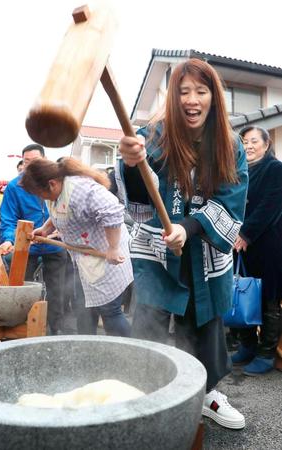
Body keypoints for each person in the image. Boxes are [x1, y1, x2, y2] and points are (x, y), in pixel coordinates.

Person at [118, 58, 248, 430]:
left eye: (201, 91)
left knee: (203, 322)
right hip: (157, 249)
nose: (192, 99)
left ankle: (207, 393)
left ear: (214, 98)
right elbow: (139, 197)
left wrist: (188, 228)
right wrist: (131, 163)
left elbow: (232, 199)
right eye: (184, 91)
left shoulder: (230, 142)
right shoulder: (153, 135)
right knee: (149, 320)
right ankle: (145, 393)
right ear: (173, 97)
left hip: (203, 250)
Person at [20, 157, 133, 337]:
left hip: (106, 256)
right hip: (84, 258)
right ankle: (87, 350)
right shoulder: (56, 191)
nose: (41, 198)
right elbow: (59, 210)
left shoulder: (80, 189)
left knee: (110, 311)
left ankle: (131, 354)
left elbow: (113, 211)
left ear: (52, 183)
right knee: (84, 308)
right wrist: (45, 229)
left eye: (40, 194)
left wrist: (112, 247)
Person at [0, 144, 67, 335]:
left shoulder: (56, 179)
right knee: (24, 289)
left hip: (55, 245)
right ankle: (23, 329)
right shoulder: (15, 186)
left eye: (35, 161)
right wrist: (9, 240)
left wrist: (60, 230)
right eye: (26, 162)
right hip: (26, 247)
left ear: (45, 160)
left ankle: (56, 329)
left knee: (57, 291)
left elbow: (64, 209)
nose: (30, 166)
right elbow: (8, 219)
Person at [232, 126, 282, 375]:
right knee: (242, 291)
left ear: (266, 144)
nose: (248, 146)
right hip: (239, 244)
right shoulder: (240, 170)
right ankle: (247, 345)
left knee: (268, 297)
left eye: (254, 141)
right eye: (245, 141)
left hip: (268, 244)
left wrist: (246, 234)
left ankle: (266, 353)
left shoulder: (275, 168)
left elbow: (270, 205)